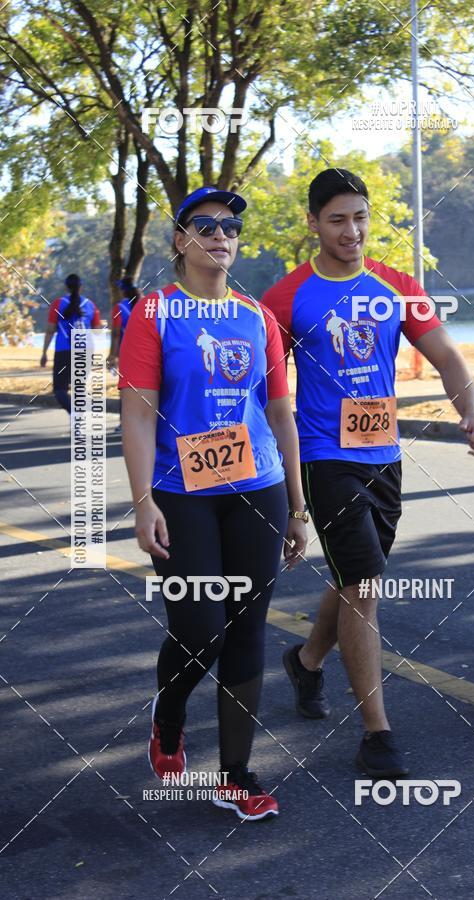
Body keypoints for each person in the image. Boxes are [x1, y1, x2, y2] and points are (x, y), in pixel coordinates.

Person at [262, 169, 474, 778]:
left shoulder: (397, 285)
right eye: (336, 219)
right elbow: (262, 385)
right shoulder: (285, 297)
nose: (351, 230)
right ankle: (376, 734)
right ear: (313, 223)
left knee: (355, 573)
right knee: (364, 583)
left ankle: (306, 662)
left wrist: (470, 412)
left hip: (382, 457)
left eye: (359, 217)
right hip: (322, 457)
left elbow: (444, 354)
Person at [118, 186, 307, 821]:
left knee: (248, 627)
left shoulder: (256, 316)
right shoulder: (154, 314)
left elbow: (280, 412)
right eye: (204, 226)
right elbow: (139, 417)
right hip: (182, 494)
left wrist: (299, 506)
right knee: (201, 630)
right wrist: (143, 502)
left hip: (260, 488)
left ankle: (235, 773)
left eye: (229, 227)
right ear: (180, 240)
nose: (220, 235)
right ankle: (168, 719)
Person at [40, 274, 101, 415]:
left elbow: (50, 330)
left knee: (60, 390)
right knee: (80, 388)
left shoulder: (58, 304)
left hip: (64, 352)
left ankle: (74, 414)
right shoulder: (90, 305)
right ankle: (79, 419)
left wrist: (44, 353)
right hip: (86, 351)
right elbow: (97, 332)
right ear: (81, 287)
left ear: (66, 287)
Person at [107, 276, 141, 432]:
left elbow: (115, 334)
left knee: (127, 389)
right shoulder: (148, 303)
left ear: (123, 291)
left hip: (128, 354)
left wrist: (112, 355)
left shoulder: (119, 308)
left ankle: (124, 423)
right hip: (149, 352)